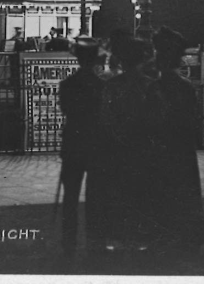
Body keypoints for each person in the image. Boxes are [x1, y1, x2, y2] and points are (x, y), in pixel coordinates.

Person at [146, 26, 204, 255]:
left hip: (162, 147)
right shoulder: (185, 87)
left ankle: (165, 233)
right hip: (181, 148)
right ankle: (188, 234)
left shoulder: (154, 87)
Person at [99, 34, 157, 253]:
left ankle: (118, 236)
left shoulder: (113, 85)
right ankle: (141, 236)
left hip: (119, 146)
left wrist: (117, 136)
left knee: (119, 193)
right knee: (143, 193)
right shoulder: (150, 86)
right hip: (142, 145)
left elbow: (106, 117)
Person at [57, 37, 106, 256]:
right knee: (96, 194)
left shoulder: (67, 85)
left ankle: (69, 239)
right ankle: (95, 237)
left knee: (70, 195)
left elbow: (67, 111)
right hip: (95, 143)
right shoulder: (102, 86)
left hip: (74, 142)